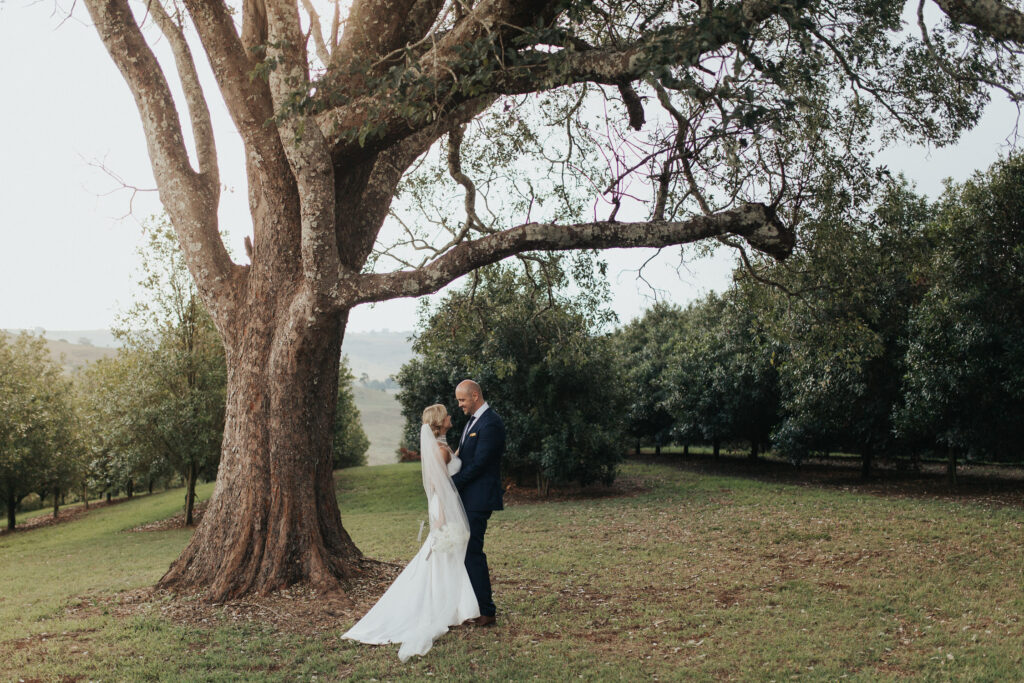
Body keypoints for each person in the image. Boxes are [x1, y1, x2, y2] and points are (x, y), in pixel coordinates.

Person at [342, 404, 479, 661]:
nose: (451, 416)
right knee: (439, 556)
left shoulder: (444, 447)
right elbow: (437, 486)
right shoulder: (440, 451)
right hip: (443, 509)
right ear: (440, 421)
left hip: (449, 506)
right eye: (447, 415)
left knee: (446, 558)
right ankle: (444, 607)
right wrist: (439, 519)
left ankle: (456, 606)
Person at [451, 379, 505, 627]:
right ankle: (473, 607)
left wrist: (454, 483)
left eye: (462, 400)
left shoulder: (491, 423)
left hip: (479, 498)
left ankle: (487, 611)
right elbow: (464, 457)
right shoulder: (471, 422)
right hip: (467, 497)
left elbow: (480, 464)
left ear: (474, 396)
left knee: (472, 552)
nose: (459, 405)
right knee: (467, 552)